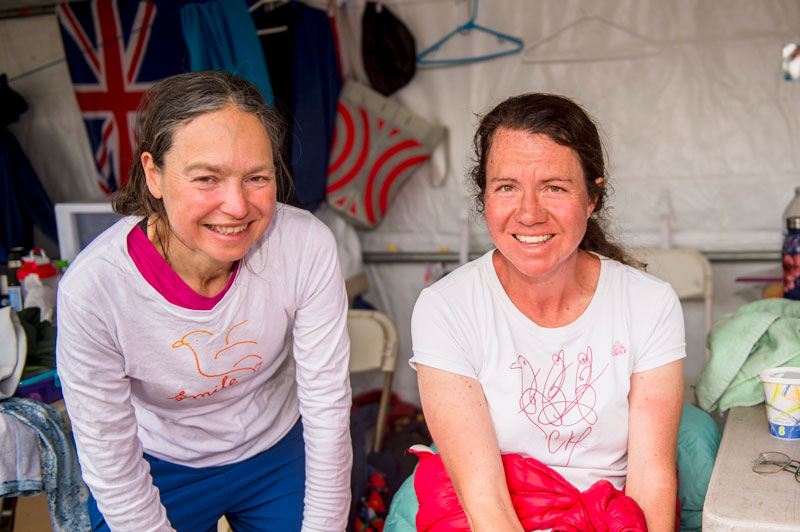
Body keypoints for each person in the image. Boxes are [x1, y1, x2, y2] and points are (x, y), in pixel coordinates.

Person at [56, 71, 352, 532]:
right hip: (158, 462)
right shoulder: (94, 290)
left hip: (276, 450)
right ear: (153, 174)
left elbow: (327, 405)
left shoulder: (305, 246)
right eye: (206, 179)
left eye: (257, 177)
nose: (236, 206)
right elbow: (107, 450)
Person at [410, 93, 685, 532]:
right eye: (507, 187)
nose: (530, 213)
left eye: (554, 187)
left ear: (592, 198)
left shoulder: (649, 303)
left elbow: (651, 479)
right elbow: (484, 499)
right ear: (484, 197)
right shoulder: (447, 308)